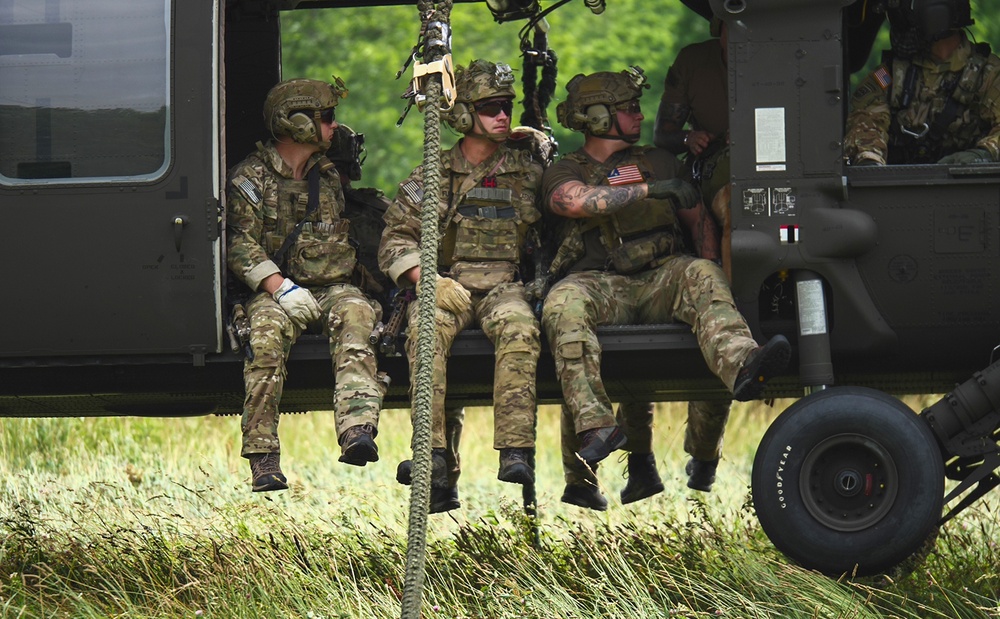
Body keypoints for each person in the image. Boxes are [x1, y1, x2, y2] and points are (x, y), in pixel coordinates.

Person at [540, 67, 791, 502]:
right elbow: (575, 201)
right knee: (562, 303)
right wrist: (652, 190)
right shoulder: (565, 168)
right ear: (598, 117)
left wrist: (715, 278)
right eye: (629, 109)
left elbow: (698, 225)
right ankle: (596, 425)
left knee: (700, 272)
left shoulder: (658, 159)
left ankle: (744, 364)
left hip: (662, 277)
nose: (640, 116)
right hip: (601, 284)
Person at [378, 59, 544, 513]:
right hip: (448, 284)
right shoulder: (433, 174)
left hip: (504, 286)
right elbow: (395, 239)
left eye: (507, 107)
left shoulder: (527, 171)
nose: (503, 116)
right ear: (465, 115)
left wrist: (540, 144)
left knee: (520, 330)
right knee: (424, 330)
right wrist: (426, 279)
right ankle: (429, 454)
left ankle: (515, 449)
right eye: (491, 107)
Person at [226, 78, 387, 492]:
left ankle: (357, 430)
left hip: (330, 287)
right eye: (327, 118)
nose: (335, 127)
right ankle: (263, 456)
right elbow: (238, 242)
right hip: (274, 292)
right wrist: (279, 287)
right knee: (264, 340)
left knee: (358, 315)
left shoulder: (326, 176)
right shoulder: (252, 177)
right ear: (297, 123)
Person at [844, 0, 1000, 166]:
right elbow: (866, 120)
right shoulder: (889, 74)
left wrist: (984, 154)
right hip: (900, 187)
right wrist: (869, 159)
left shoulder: (988, 74)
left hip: (966, 189)